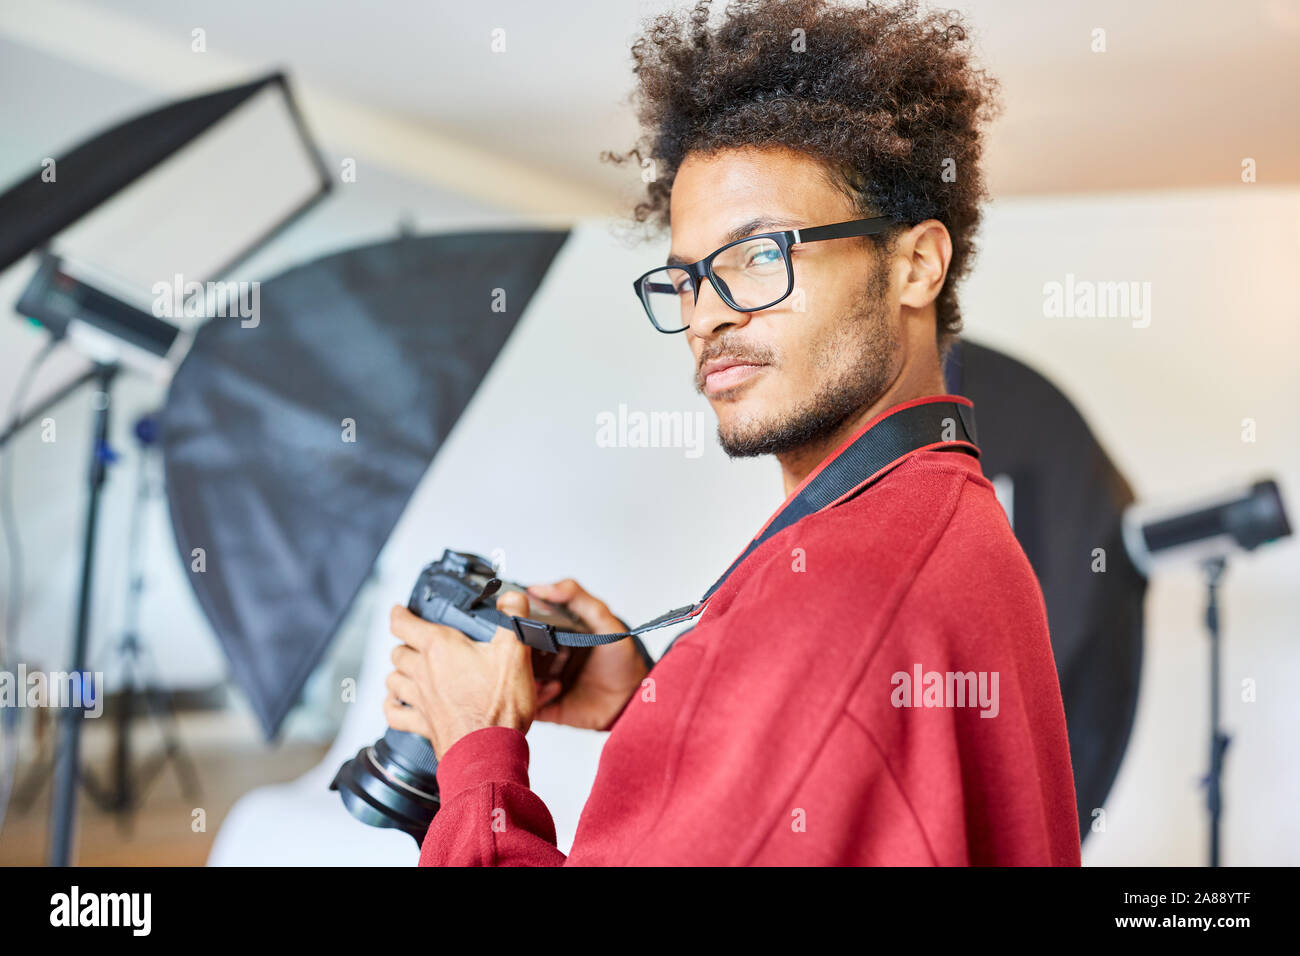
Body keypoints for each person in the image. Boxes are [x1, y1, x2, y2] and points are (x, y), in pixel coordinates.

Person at [384, 0, 1080, 865]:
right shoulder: (948, 526)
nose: (706, 317)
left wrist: (476, 751)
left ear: (915, 264)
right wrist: (665, 703)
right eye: (686, 280)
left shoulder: (836, 600)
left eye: (760, 255)